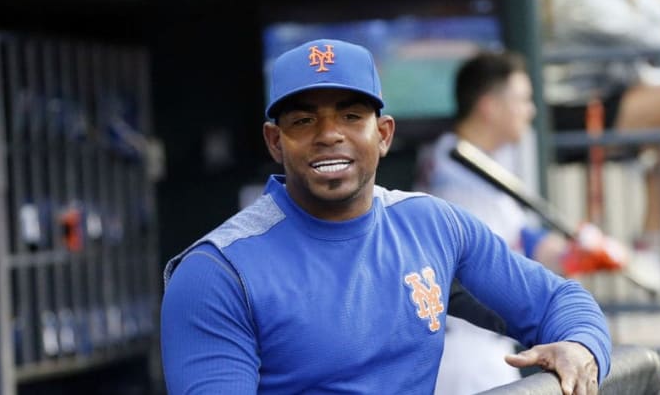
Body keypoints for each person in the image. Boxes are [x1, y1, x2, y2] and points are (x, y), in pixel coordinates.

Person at [160, 39, 611, 395]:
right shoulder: (216, 273)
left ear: (383, 134)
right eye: (303, 121)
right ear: (275, 142)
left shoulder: (433, 225)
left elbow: (558, 302)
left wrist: (582, 347)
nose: (329, 134)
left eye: (352, 116)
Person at [415, 50, 624, 395]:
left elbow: (520, 239)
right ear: (489, 106)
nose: (531, 111)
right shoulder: (456, 178)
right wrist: (572, 257)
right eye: (522, 100)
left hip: (481, 347)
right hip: (465, 351)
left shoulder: (475, 159)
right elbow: (501, 267)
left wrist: (578, 251)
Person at [540, 0, 660, 258]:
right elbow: (653, 38)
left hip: (605, 103)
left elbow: (649, 64)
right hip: (570, 111)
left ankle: (647, 247)